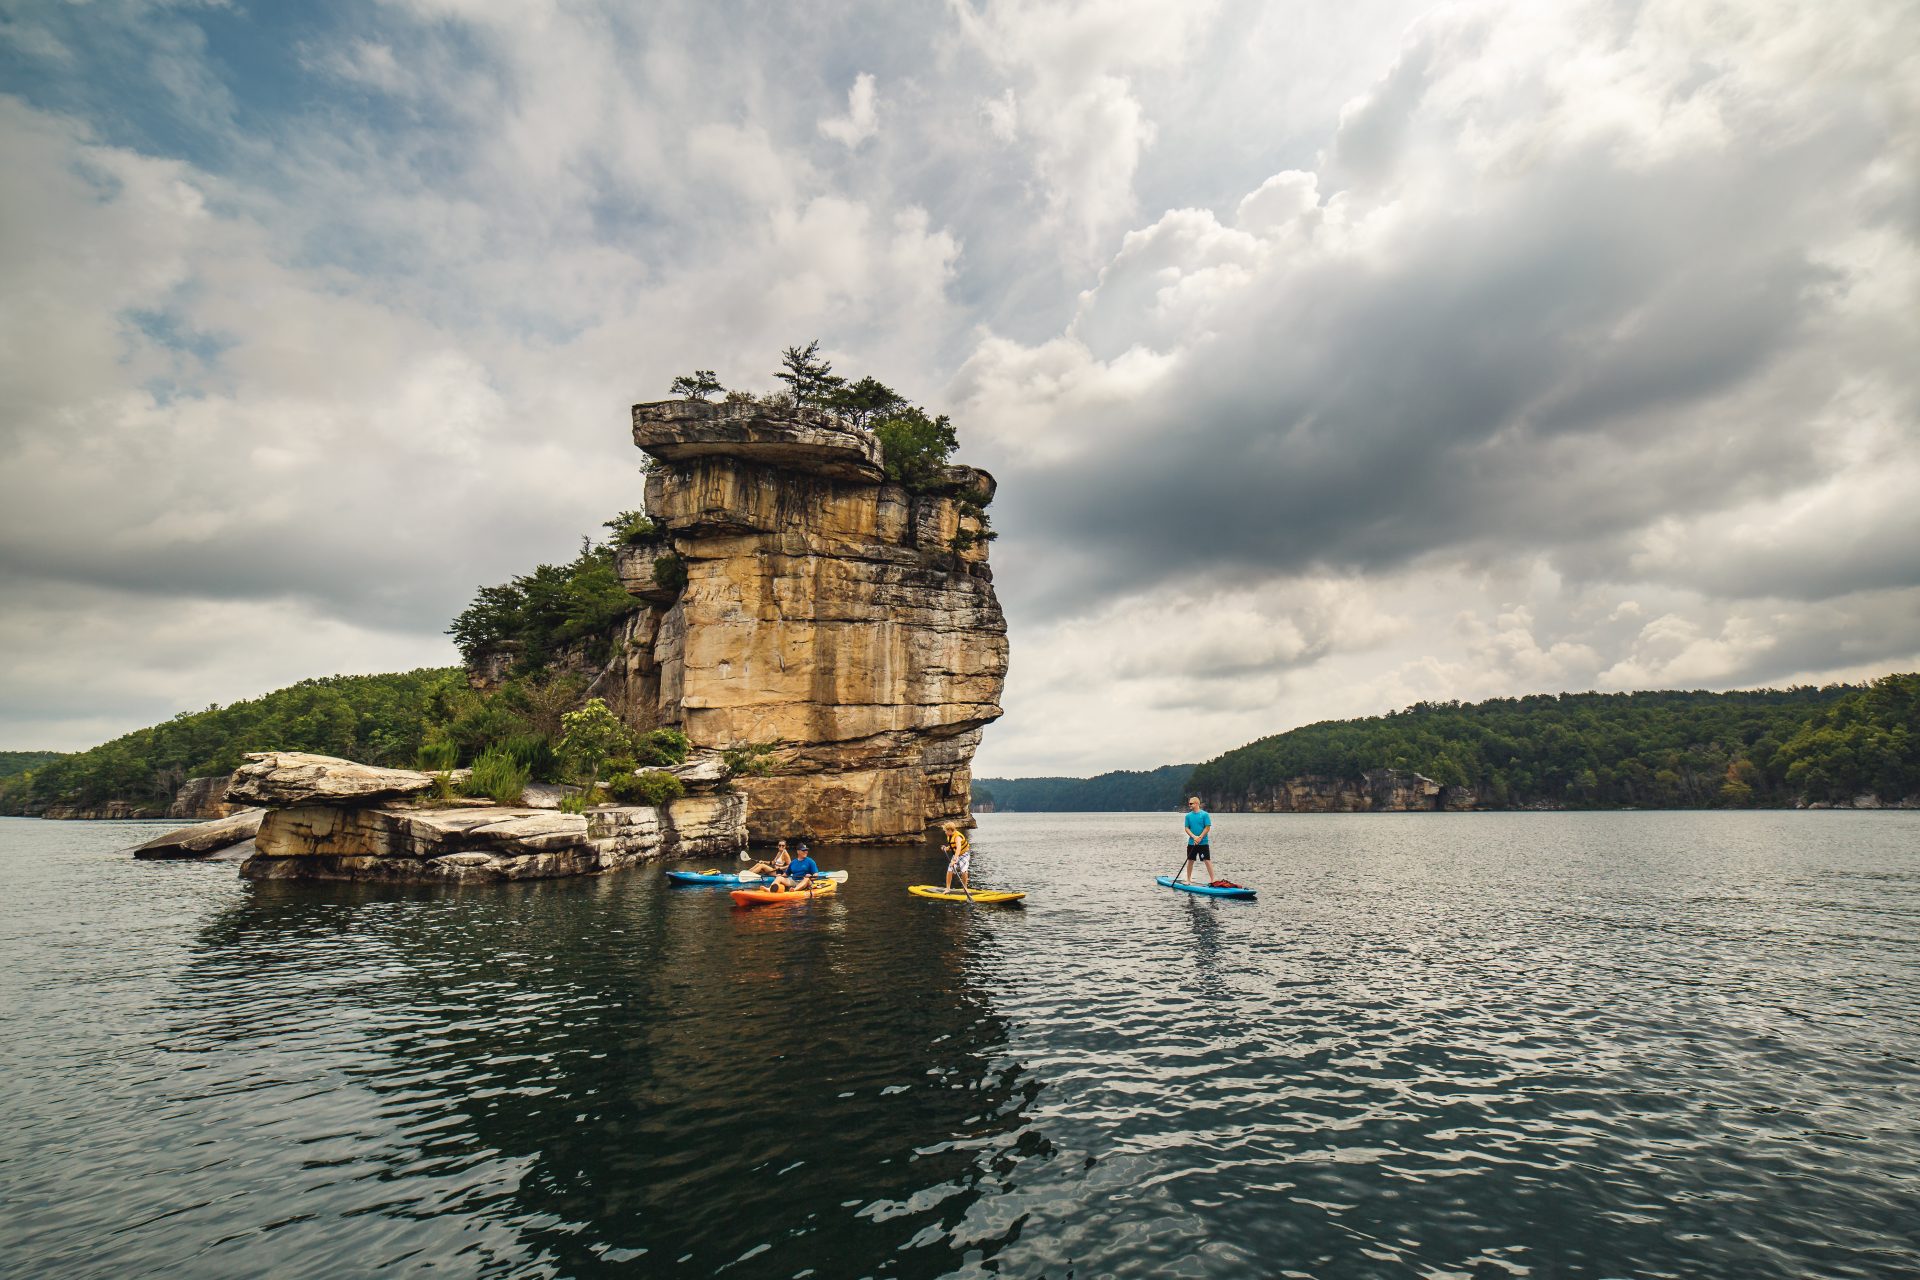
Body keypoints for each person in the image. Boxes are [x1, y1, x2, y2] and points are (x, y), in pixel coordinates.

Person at [1180, 796, 1222, 884]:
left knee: (1207, 860)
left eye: (1191, 803)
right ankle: (1188, 879)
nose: (1189, 805)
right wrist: (1194, 837)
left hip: (1203, 843)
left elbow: (1207, 828)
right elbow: (1187, 828)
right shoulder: (1188, 816)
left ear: (1196, 804)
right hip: (1192, 843)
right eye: (1189, 803)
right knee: (1190, 861)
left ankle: (1213, 880)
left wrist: (1200, 837)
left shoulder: (1205, 815)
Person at [942, 822, 972, 893]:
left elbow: (958, 848)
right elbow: (953, 846)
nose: (945, 832)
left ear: (949, 830)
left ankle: (965, 888)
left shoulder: (957, 837)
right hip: (956, 854)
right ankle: (948, 888)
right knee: (950, 869)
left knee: (963, 870)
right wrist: (947, 848)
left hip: (964, 855)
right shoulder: (950, 836)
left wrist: (954, 860)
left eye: (945, 831)